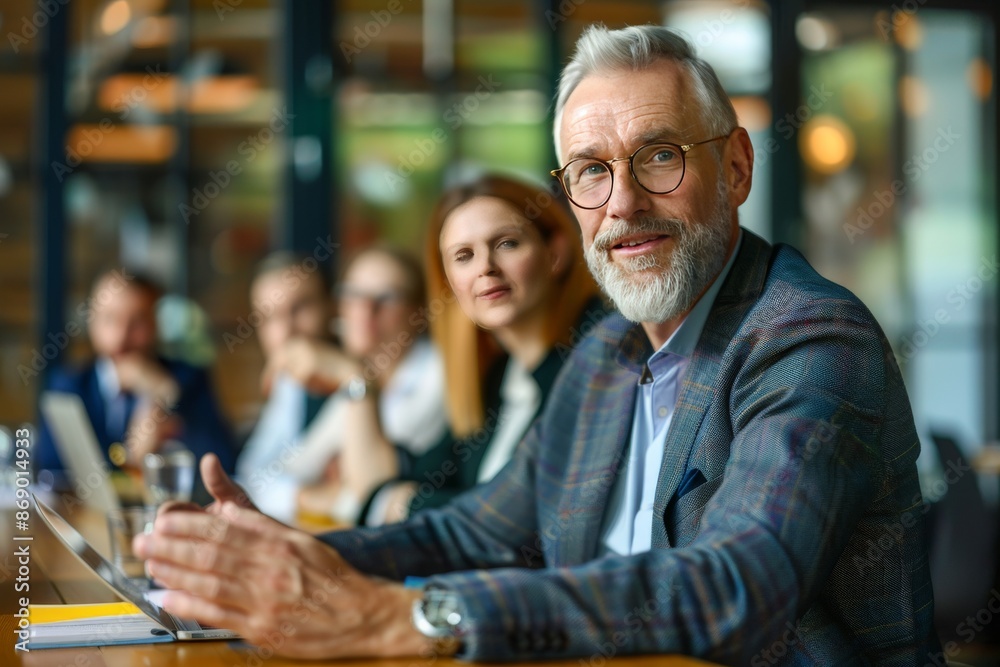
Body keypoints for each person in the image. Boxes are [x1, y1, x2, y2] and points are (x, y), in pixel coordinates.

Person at [134, 25, 940, 664]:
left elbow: (739, 586)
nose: (622, 203)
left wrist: (418, 617)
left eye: (658, 156)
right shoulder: (603, 358)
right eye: (589, 171)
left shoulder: (808, 336)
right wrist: (296, 556)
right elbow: (471, 533)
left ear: (734, 167)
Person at [294, 175, 605, 525]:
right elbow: (384, 486)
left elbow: (518, 517)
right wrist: (358, 379)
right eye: (464, 256)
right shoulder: (498, 380)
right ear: (449, 282)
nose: (485, 267)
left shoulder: (596, 358)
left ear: (556, 253)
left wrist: (405, 505)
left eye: (507, 244)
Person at [253, 246, 449, 522]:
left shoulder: (436, 374)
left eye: (387, 297)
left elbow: (370, 494)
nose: (365, 310)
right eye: (354, 295)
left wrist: (353, 376)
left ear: (418, 311)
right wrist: (310, 495)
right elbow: (276, 475)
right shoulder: (355, 374)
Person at [36, 269, 236, 477]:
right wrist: (132, 459)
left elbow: (223, 463)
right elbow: (51, 470)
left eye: (137, 322)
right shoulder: (68, 386)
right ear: (91, 323)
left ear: (157, 324)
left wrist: (166, 392)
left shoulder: (190, 380)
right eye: (110, 319)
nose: (121, 336)